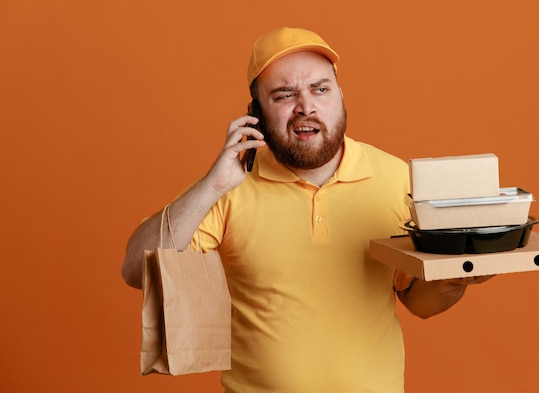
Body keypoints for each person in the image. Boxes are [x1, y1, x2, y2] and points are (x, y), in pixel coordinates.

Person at [122, 27, 491, 393]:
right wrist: (213, 186)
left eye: (320, 89)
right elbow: (137, 269)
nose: (306, 106)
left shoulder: (398, 180)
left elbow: (420, 303)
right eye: (284, 95)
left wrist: (458, 275)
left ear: (341, 96)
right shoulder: (228, 188)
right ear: (256, 114)